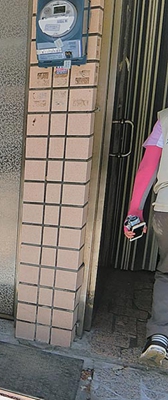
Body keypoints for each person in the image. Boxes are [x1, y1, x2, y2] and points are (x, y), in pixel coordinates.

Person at [124, 108, 168, 366]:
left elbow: (148, 167)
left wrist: (134, 210)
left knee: (167, 273)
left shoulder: (166, 119)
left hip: (166, 209)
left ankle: (160, 337)